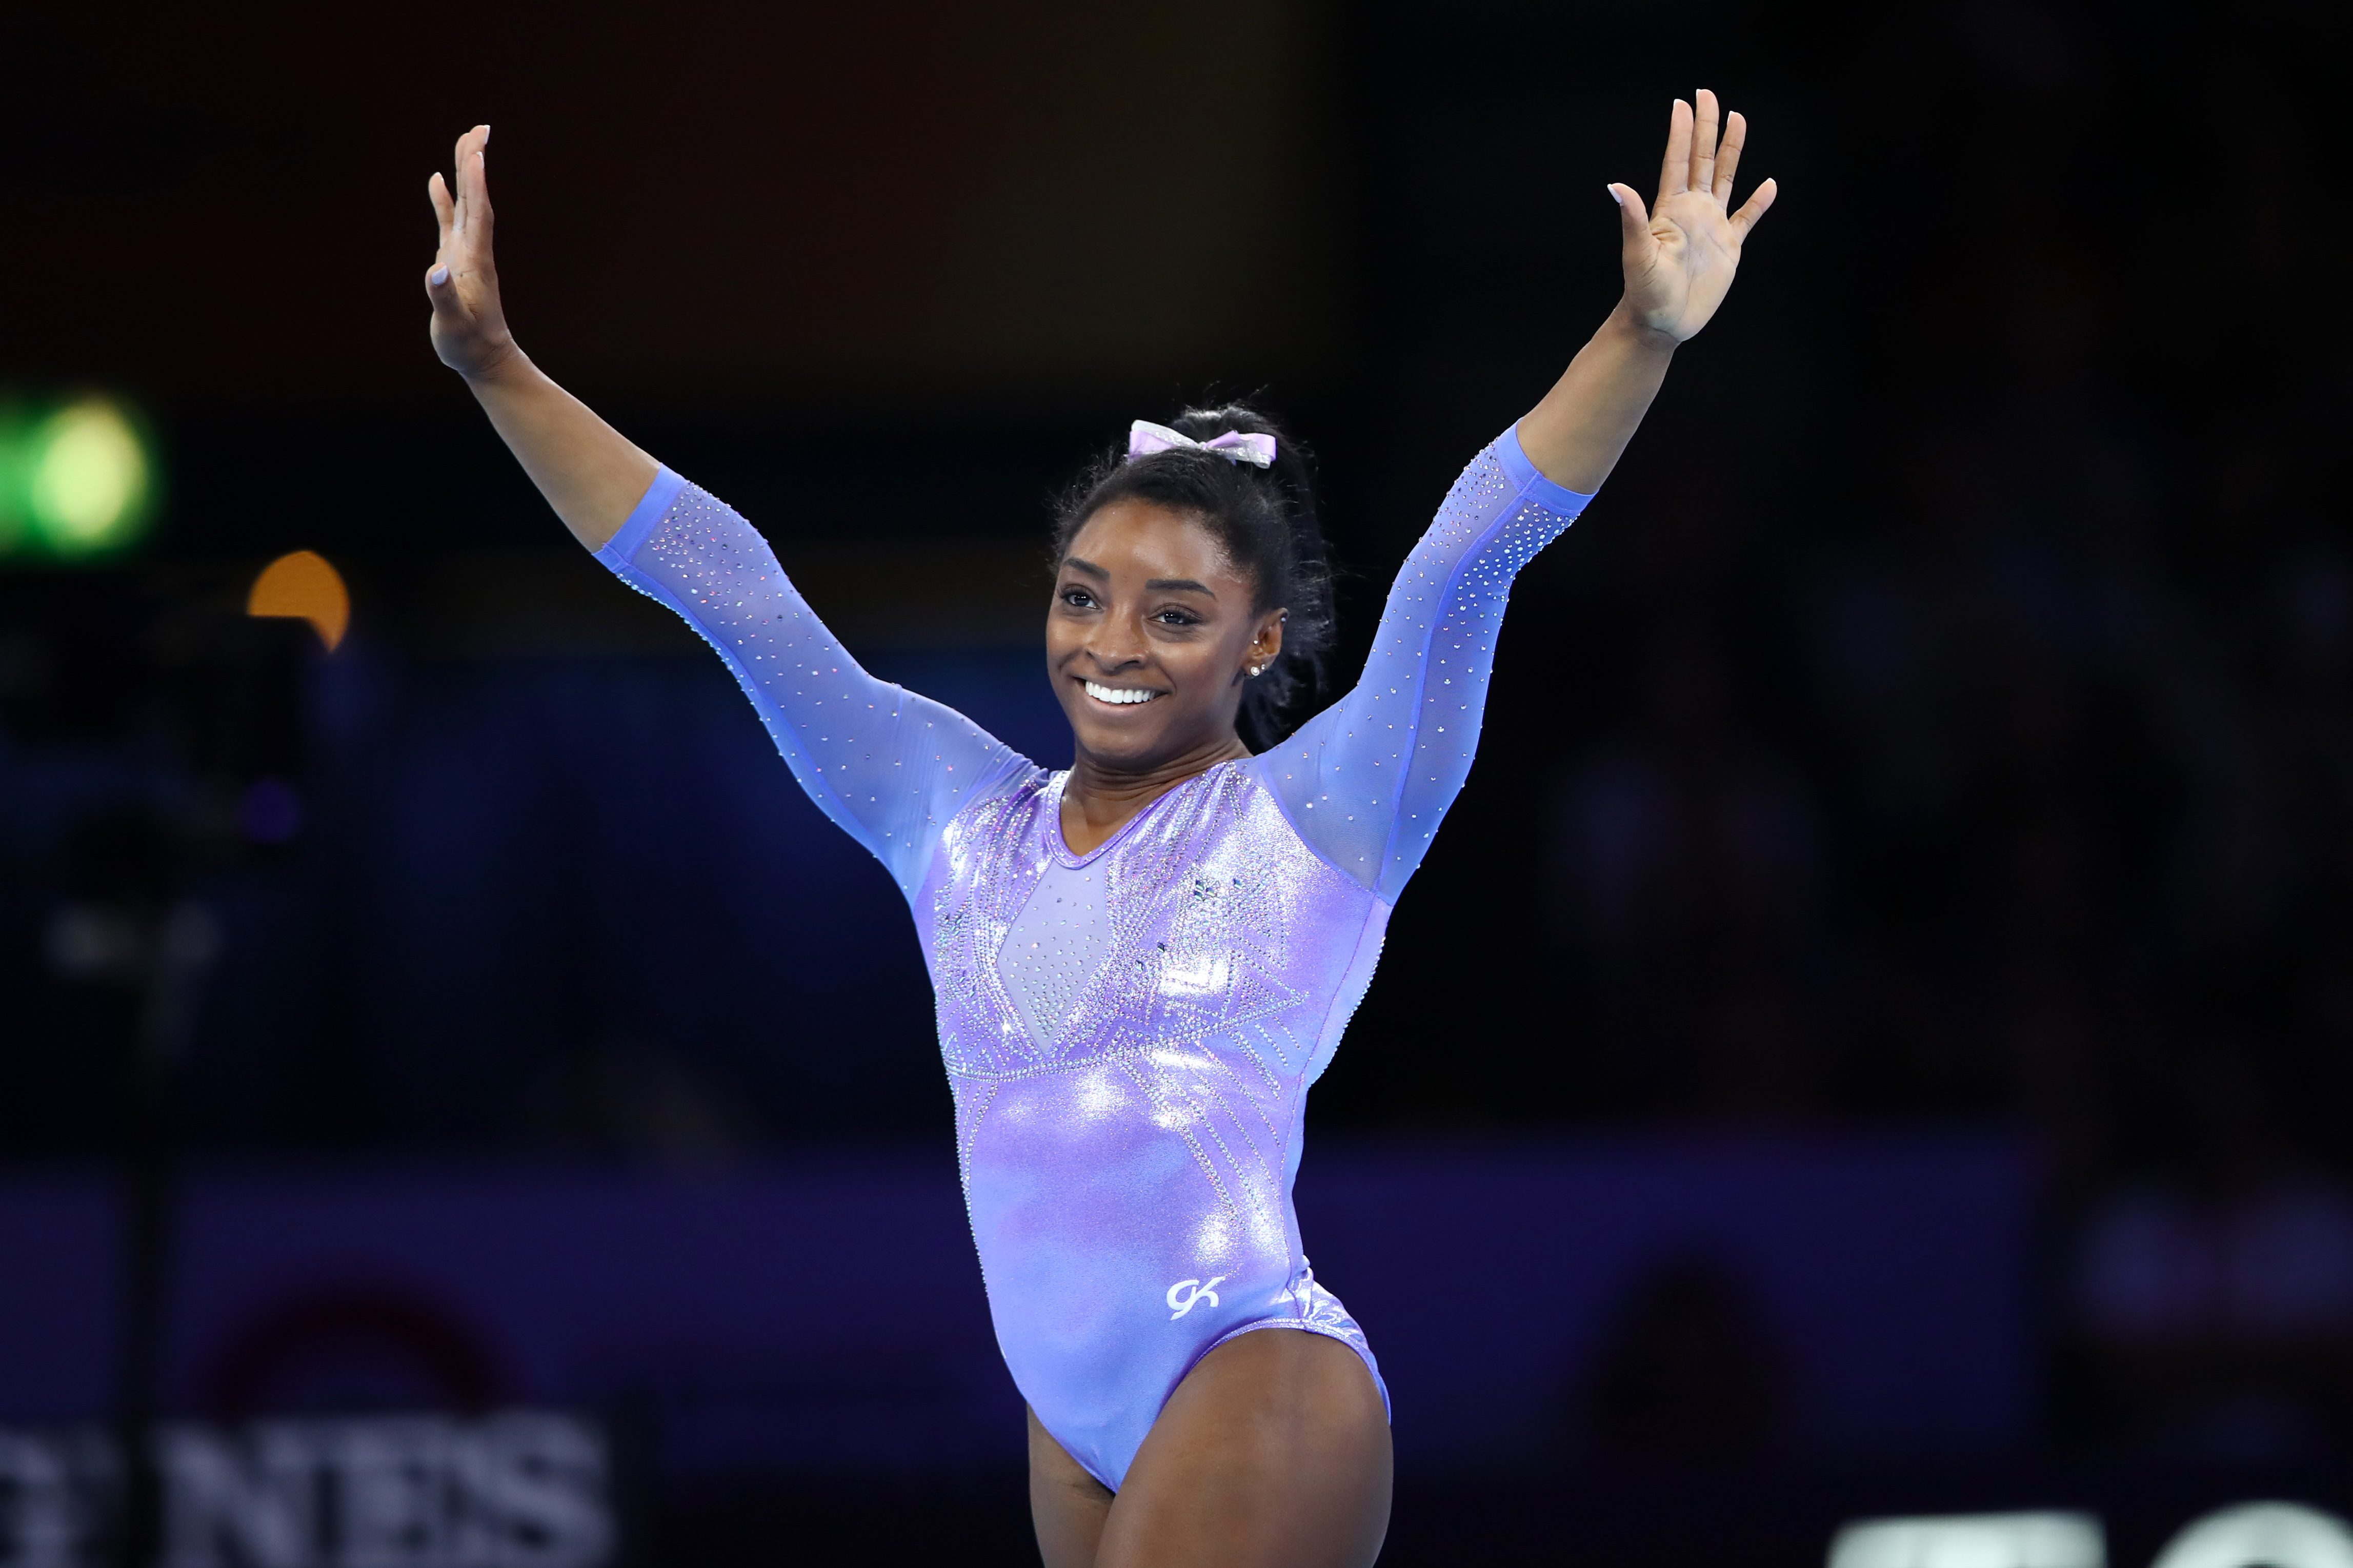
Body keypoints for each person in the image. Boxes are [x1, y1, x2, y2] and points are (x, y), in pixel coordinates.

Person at [420, 90, 1773, 1568]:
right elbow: (727, 585)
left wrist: (1640, 335)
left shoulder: (1320, 813)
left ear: (1261, 642)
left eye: (1175, 614)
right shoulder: (952, 817)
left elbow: (1469, 553)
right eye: (1084, 597)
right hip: (1069, 1427)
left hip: (1252, 1369)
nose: (1112, 644)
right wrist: (499, 369)